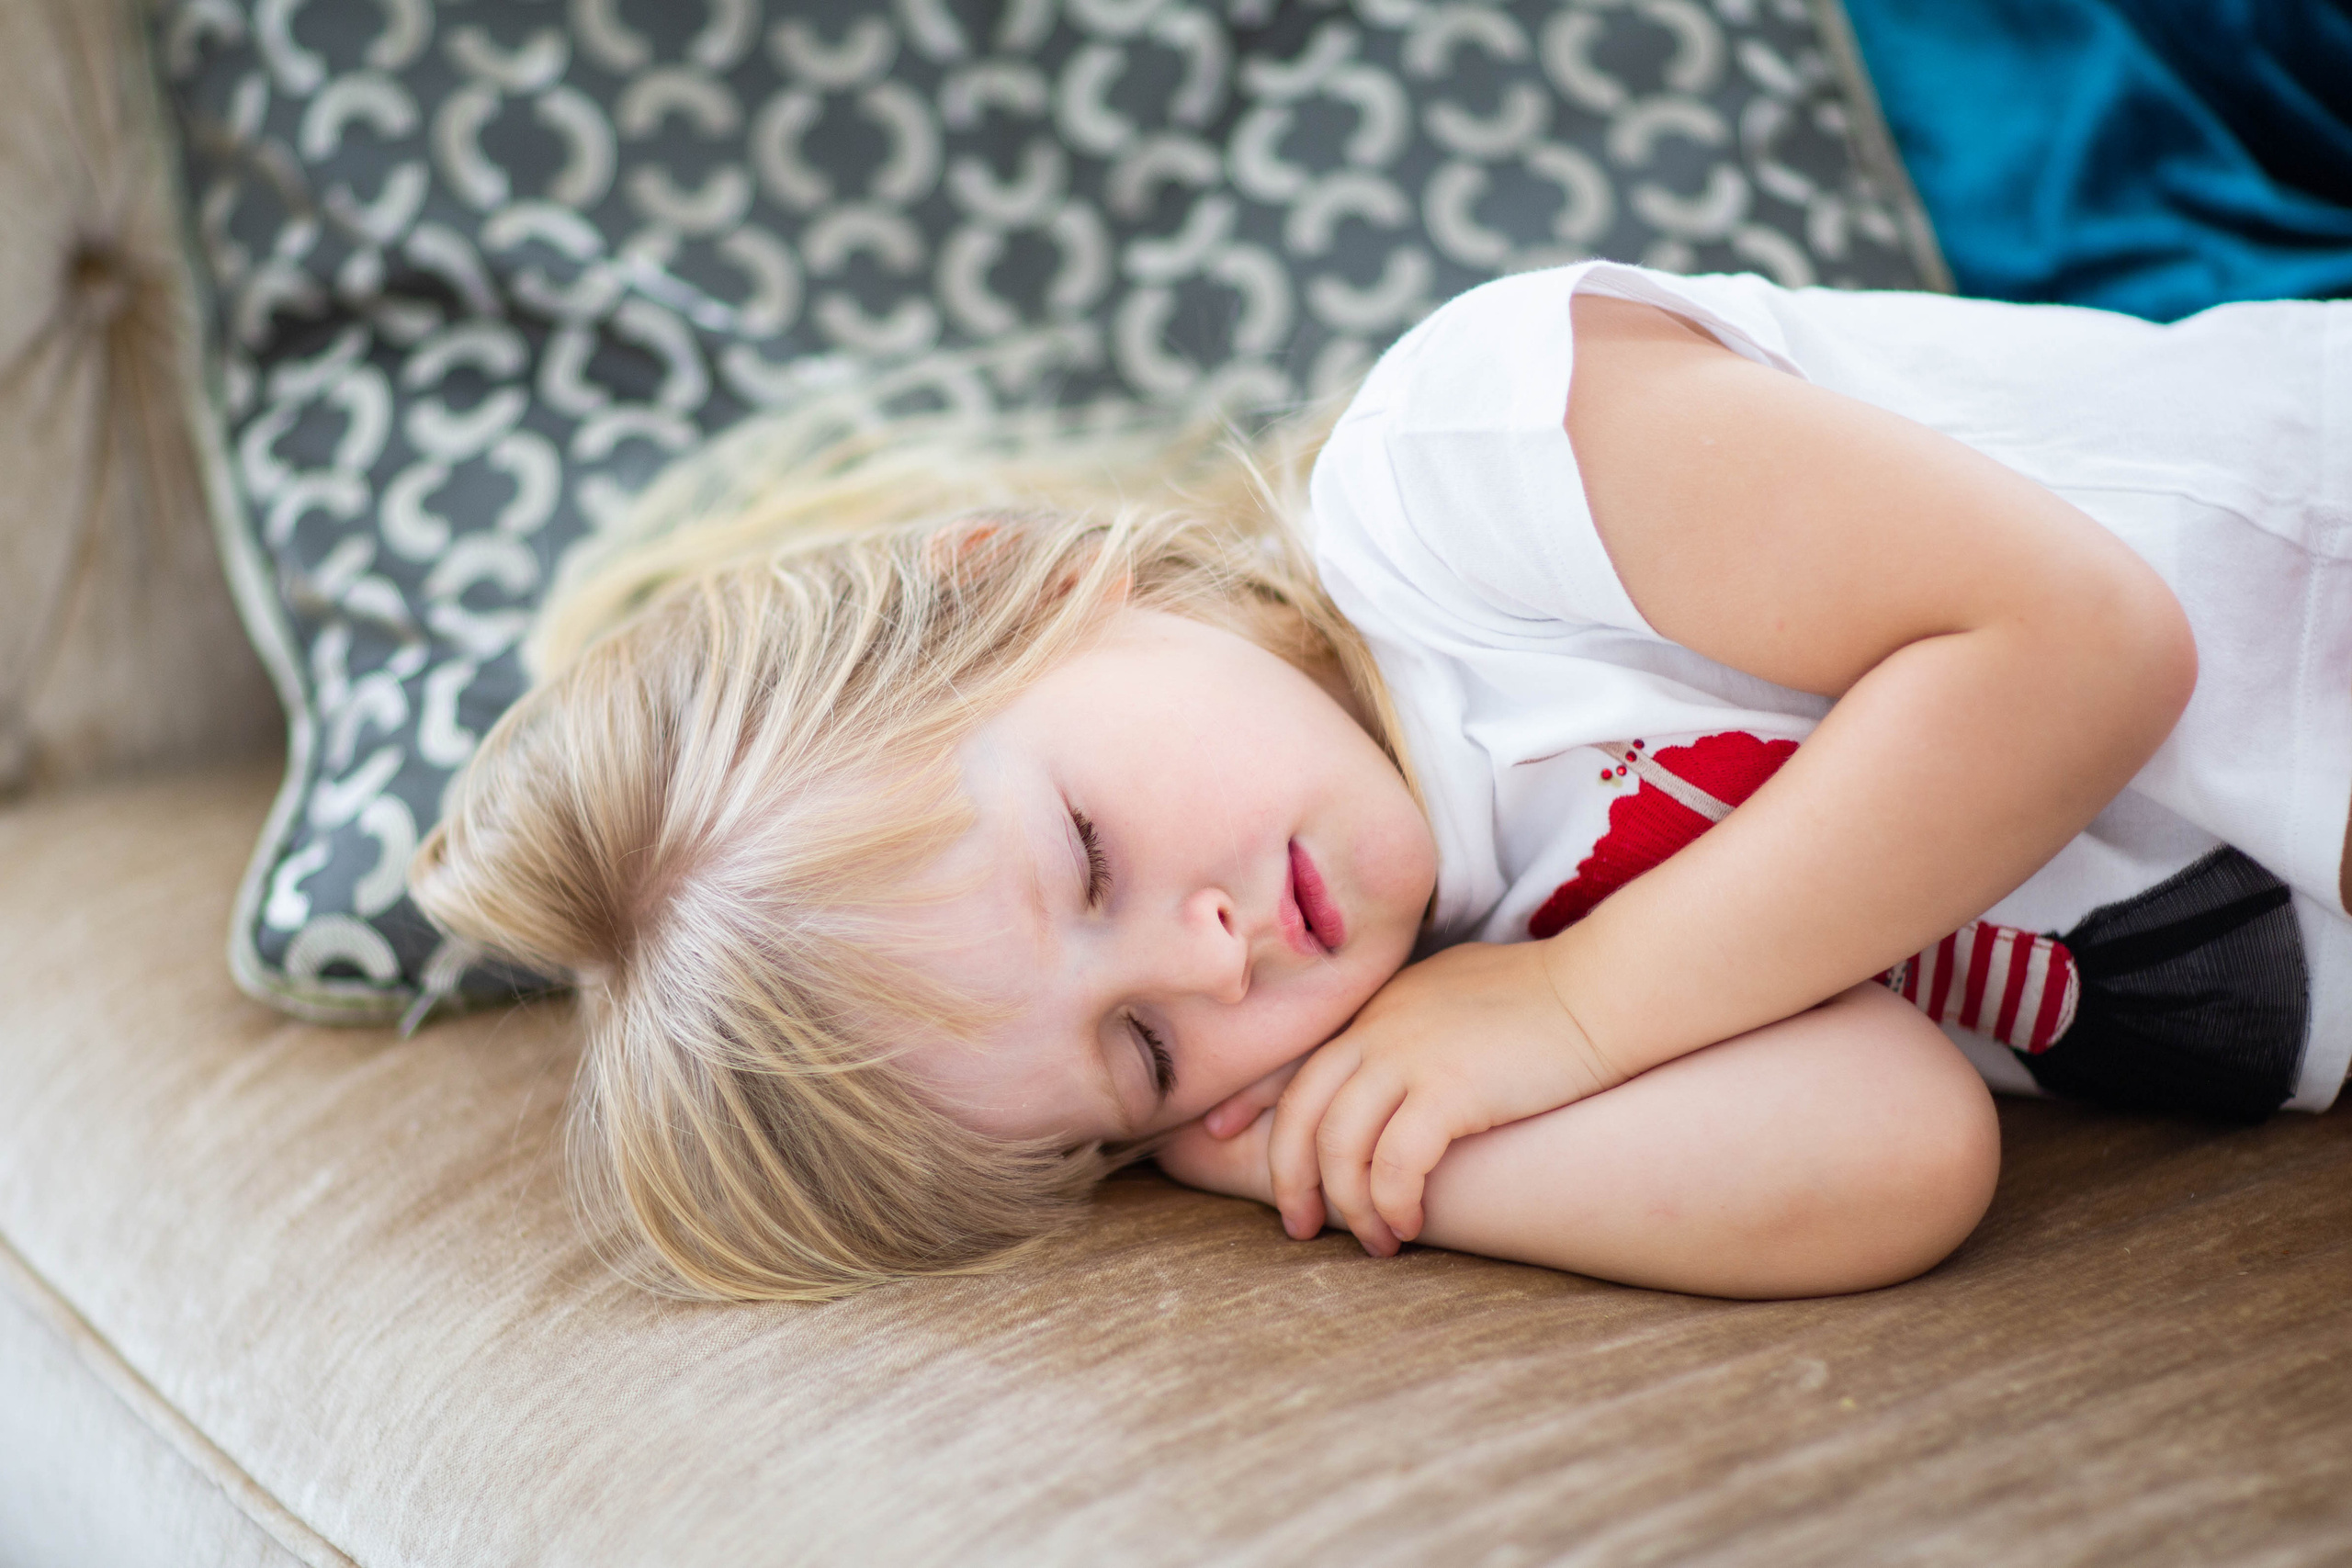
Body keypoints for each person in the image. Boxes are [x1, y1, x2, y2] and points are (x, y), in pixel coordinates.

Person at [409, 260, 2352, 1303]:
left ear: (1015, 581)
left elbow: (2078, 645)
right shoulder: (1463, 963)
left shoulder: (1467, 464)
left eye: (1085, 859)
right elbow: (1889, 1153)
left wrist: (1578, 1004)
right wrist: (1289, 1131)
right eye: (1142, 1053)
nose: (1220, 957)